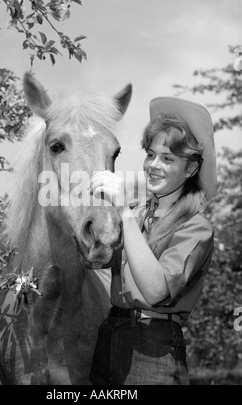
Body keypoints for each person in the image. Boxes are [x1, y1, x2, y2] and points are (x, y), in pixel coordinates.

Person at [89, 96, 217, 385]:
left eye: (168, 158)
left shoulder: (197, 229)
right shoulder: (136, 212)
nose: (153, 166)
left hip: (154, 347)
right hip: (111, 334)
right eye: (150, 154)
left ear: (191, 169)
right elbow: (94, 259)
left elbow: (156, 291)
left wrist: (122, 211)